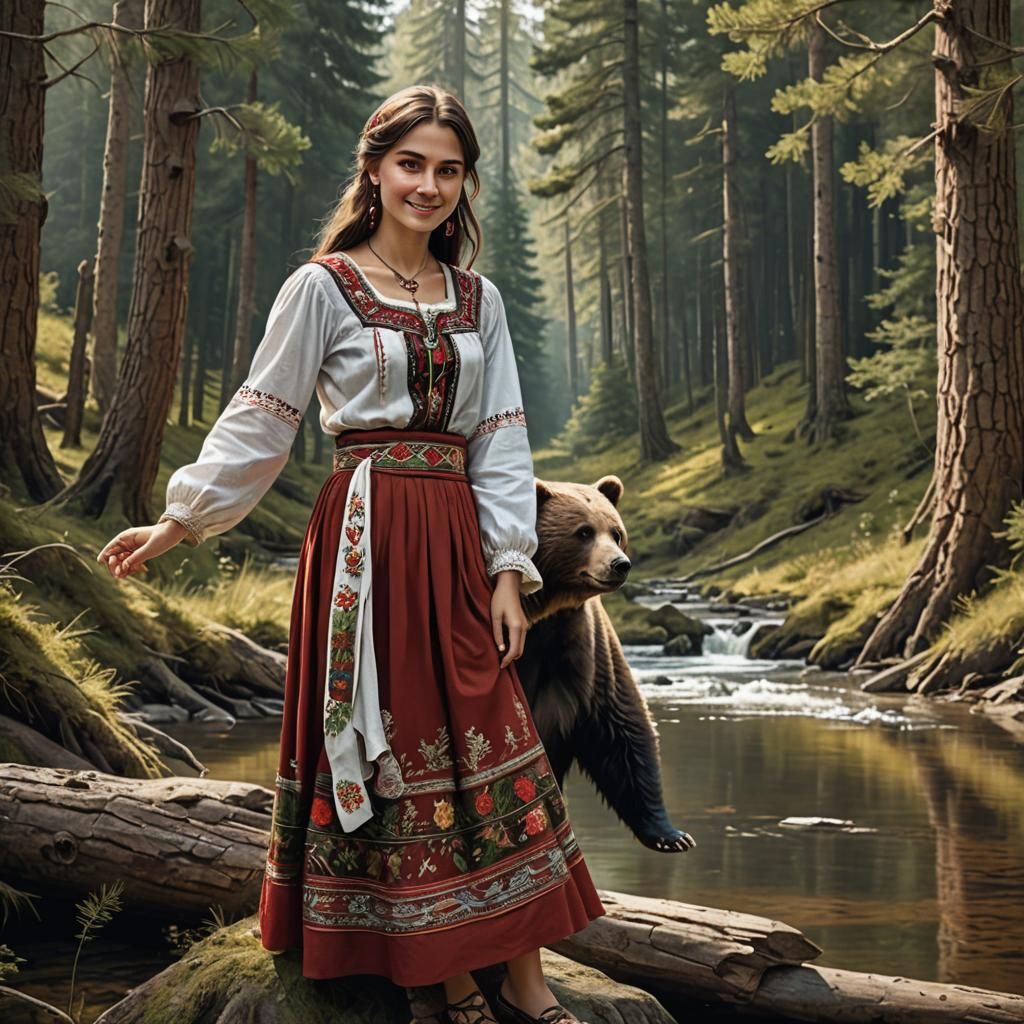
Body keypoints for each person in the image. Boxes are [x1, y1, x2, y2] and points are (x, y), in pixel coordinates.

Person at [96, 85, 606, 1023]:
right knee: (400, 744)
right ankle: (445, 978)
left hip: (456, 539)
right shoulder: (322, 286)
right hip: (363, 547)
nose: (429, 185)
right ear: (374, 169)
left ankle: (529, 988)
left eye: (448, 169)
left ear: (466, 182)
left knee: (495, 739)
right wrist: (182, 519)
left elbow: (500, 440)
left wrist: (508, 570)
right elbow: (265, 415)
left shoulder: (478, 299)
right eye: (411, 164)